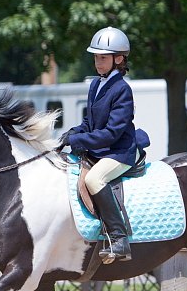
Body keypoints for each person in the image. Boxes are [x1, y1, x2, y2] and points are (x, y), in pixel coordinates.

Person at [58, 26, 149, 263]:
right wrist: (71, 134)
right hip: (102, 149)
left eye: (103, 58)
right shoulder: (95, 85)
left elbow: (110, 133)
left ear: (119, 59)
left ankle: (119, 239)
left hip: (119, 152)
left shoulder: (122, 90)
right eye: (96, 57)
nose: (98, 62)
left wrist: (78, 140)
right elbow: (90, 122)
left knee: (93, 179)